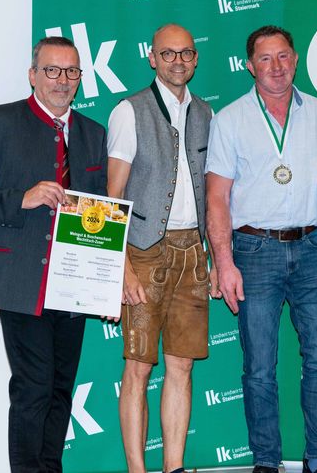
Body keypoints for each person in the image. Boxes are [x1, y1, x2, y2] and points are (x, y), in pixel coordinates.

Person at [0, 36, 107, 472]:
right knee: (34, 388)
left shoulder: (94, 133)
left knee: (59, 388)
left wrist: (106, 281)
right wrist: (23, 197)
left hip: (74, 284)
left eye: (71, 71)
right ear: (33, 74)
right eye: (52, 70)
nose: (62, 80)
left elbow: (100, 212)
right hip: (21, 279)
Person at [206, 25, 317, 473]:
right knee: (259, 367)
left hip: (311, 246)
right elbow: (216, 197)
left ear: (295, 58)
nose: (276, 67)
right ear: (250, 66)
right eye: (265, 59)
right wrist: (224, 262)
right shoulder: (229, 119)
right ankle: (267, 462)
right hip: (254, 250)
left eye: (283, 56)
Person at [106, 23, 218, 473]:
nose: (178, 61)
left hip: (193, 252)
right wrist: (121, 265)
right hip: (143, 252)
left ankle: (174, 467)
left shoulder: (208, 113)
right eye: (168, 54)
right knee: (137, 369)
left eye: (186, 54)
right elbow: (112, 197)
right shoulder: (128, 111)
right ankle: (138, 469)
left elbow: (214, 192)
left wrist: (211, 255)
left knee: (182, 368)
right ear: (152, 58)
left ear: (195, 59)